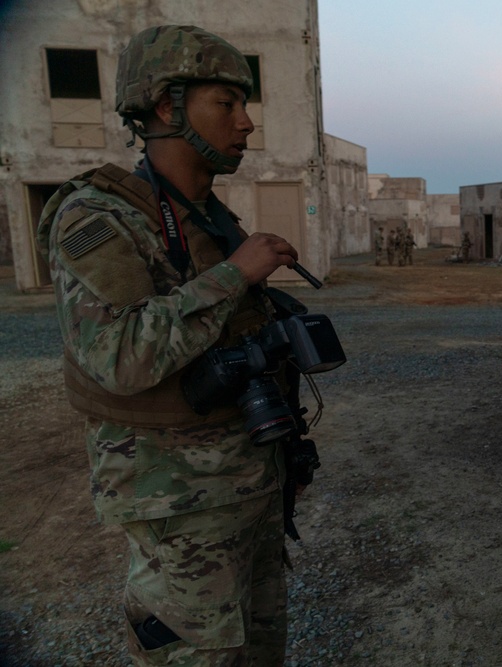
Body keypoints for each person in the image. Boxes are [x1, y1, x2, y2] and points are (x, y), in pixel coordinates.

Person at [36, 25, 306, 665]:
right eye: (227, 103)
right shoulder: (97, 218)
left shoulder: (208, 216)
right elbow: (120, 354)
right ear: (166, 106)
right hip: (177, 504)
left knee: (260, 649)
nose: (246, 123)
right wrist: (235, 274)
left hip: (246, 484)